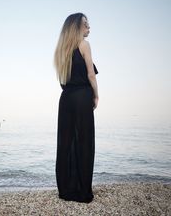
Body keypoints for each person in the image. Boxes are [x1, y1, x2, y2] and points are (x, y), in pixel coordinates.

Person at [53, 12, 99, 203]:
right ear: (76, 27)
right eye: (86, 24)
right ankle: (82, 191)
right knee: (84, 142)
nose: (89, 27)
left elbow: (63, 79)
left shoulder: (61, 50)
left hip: (65, 99)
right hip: (82, 97)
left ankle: (66, 189)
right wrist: (96, 95)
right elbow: (91, 75)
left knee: (65, 143)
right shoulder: (84, 45)